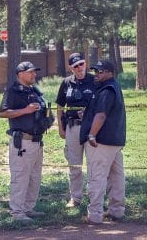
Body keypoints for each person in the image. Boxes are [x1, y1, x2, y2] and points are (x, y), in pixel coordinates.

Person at [0, 61, 52, 222]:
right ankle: (17, 213)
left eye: (34, 71)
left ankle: (28, 209)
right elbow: (3, 113)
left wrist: (48, 117)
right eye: (30, 72)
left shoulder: (34, 91)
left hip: (37, 141)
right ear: (20, 74)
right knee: (20, 177)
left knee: (34, 177)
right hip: (23, 142)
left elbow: (44, 109)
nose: (34, 74)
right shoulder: (13, 91)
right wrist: (25, 110)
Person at [80, 60, 126, 224]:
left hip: (101, 142)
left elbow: (101, 115)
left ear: (109, 73)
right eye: (95, 71)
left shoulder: (106, 90)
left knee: (97, 178)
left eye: (100, 71)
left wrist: (92, 135)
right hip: (115, 140)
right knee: (116, 177)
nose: (96, 74)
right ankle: (117, 211)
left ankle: (95, 215)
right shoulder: (113, 86)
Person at [56, 52, 95, 208]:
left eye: (82, 64)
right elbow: (60, 106)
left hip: (92, 128)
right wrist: (60, 127)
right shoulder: (66, 83)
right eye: (76, 66)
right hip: (72, 127)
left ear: (86, 63)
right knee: (74, 165)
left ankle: (94, 197)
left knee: (94, 164)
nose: (80, 68)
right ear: (71, 68)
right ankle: (75, 198)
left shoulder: (94, 81)